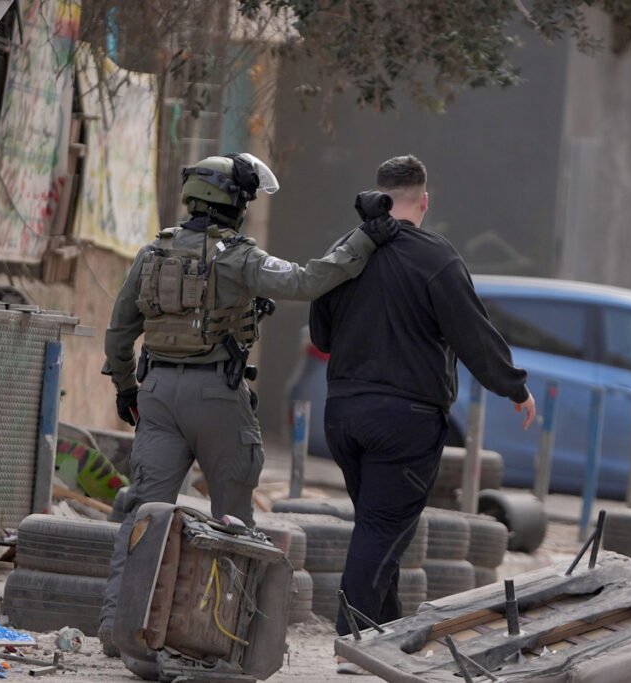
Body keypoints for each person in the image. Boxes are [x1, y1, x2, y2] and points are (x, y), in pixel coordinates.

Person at [98, 152, 399, 658]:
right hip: (218, 398)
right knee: (233, 524)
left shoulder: (152, 253)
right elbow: (306, 281)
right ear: (234, 204)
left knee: (143, 519)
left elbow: (119, 331)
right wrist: (364, 238)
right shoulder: (238, 257)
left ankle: (116, 631)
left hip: (157, 397)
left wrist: (127, 390)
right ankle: (224, 640)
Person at [309, 154, 536, 659]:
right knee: (381, 529)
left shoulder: (346, 248)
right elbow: (472, 332)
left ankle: (387, 638)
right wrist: (514, 387)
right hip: (403, 420)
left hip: (342, 413)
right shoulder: (436, 257)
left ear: (380, 192)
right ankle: (354, 643)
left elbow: (321, 334)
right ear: (424, 201)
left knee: (381, 527)